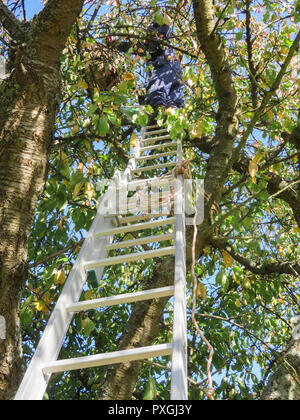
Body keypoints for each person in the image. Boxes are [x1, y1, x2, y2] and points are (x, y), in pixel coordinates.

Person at [112, 22, 185, 113]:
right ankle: (173, 114)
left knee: (157, 91)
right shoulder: (169, 50)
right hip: (176, 73)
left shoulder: (156, 42)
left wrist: (116, 44)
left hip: (164, 69)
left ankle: (157, 111)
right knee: (173, 98)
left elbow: (140, 48)